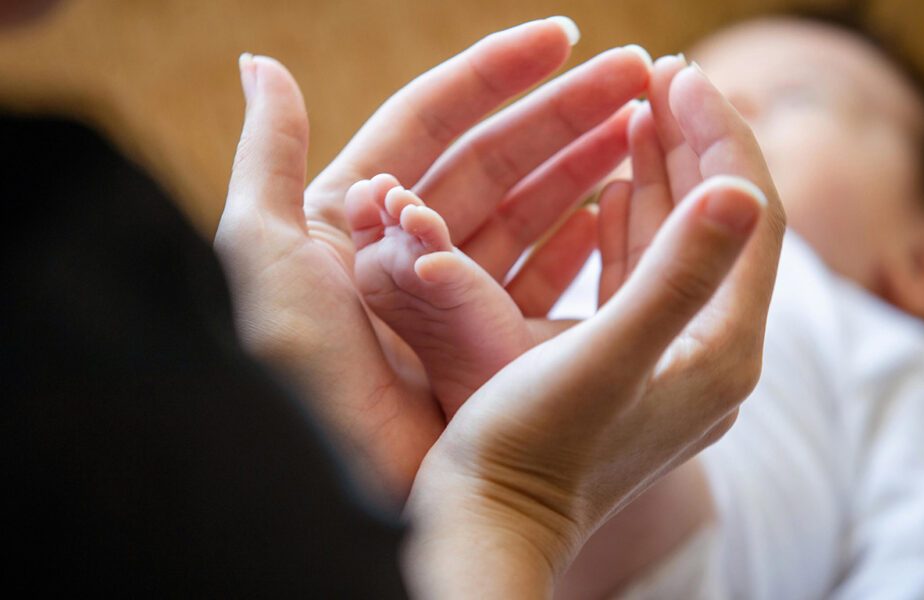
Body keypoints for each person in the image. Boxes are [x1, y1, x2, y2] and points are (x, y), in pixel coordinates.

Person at [3, 2, 788, 596]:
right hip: (605, 486)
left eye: (802, 101)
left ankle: (491, 384)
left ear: (914, 257)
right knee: (620, 451)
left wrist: (310, 427)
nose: (742, 105)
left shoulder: (876, 340)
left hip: (670, 495)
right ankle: (493, 382)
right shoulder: (54, 264)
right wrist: (518, 497)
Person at [543, 16, 924, 599]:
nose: (719, 107)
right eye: (682, 92)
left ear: (920, 265)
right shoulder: (557, 272)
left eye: (798, 97)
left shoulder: (892, 352)